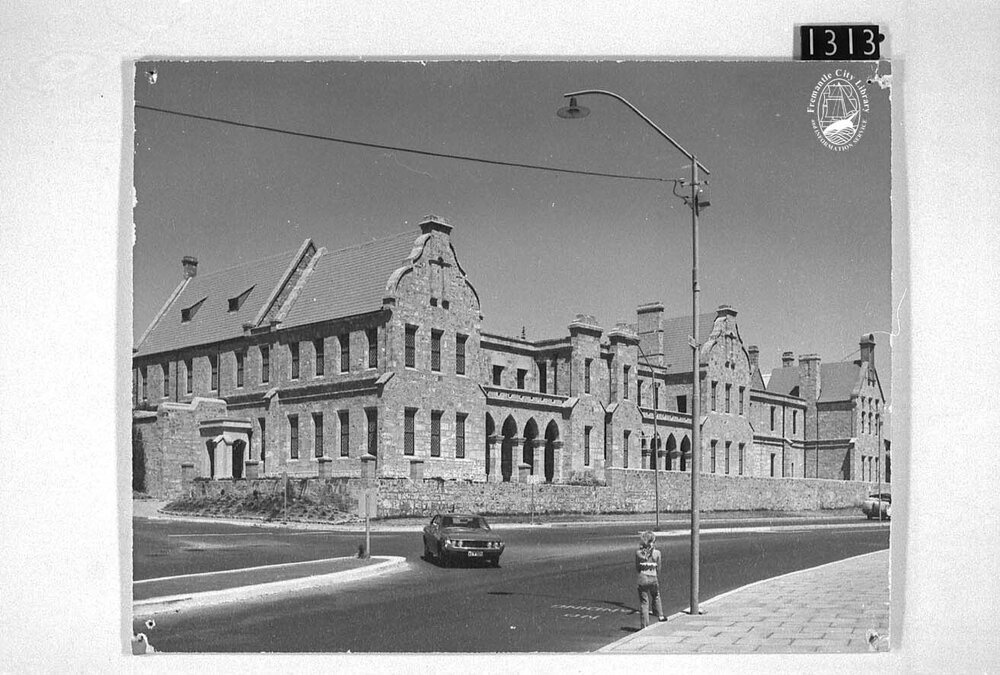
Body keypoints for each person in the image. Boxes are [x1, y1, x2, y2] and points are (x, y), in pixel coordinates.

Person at [635, 530, 665, 628]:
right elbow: (659, 567)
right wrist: (657, 575)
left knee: (644, 602)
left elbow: (637, 567)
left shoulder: (639, 553)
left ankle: (644, 625)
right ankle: (660, 615)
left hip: (642, 577)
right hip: (653, 577)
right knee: (656, 595)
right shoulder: (657, 553)